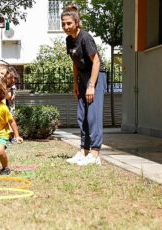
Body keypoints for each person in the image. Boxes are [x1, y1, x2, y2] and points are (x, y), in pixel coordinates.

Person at [61, 5, 107, 165]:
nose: (66, 27)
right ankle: (84, 151)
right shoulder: (69, 40)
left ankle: (95, 154)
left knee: (93, 115)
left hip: (95, 77)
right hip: (82, 78)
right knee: (82, 116)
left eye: (69, 23)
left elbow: (96, 61)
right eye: (63, 24)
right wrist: (75, 82)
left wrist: (91, 85)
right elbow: (75, 63)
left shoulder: (85, 38)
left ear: (77, 22)